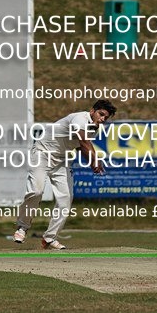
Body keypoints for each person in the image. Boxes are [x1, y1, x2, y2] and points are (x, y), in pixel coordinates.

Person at [12, 99, 117, 249]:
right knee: (36, 191)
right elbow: (84, 142)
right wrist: (95, 161)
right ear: (92, 111)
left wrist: (91, 163)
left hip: (62, 160)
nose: (102, 119)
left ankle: (49, 237)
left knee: (65, 199)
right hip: (42, 153)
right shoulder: (79, 119)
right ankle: (22, 228)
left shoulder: (94, 127)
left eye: (106, 118)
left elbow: (80, 148)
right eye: (101, 114)